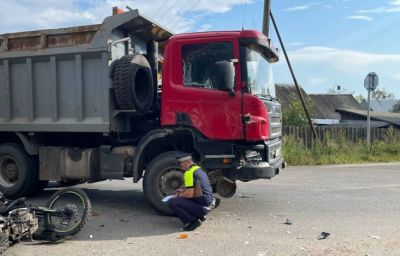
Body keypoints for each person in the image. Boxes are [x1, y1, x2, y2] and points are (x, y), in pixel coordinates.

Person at [166, 152, 220, 231]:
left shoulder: (189, 173)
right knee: (183, 198)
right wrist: (183, 191)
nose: (180, 166)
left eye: (180, 163)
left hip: (202, 208)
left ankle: (192, 221)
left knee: (172, 202)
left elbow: (189, 195)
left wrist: (177, 196)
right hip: (209, 203)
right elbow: (199, 188)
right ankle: (200, 216)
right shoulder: (199, 169)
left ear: (186, 162)